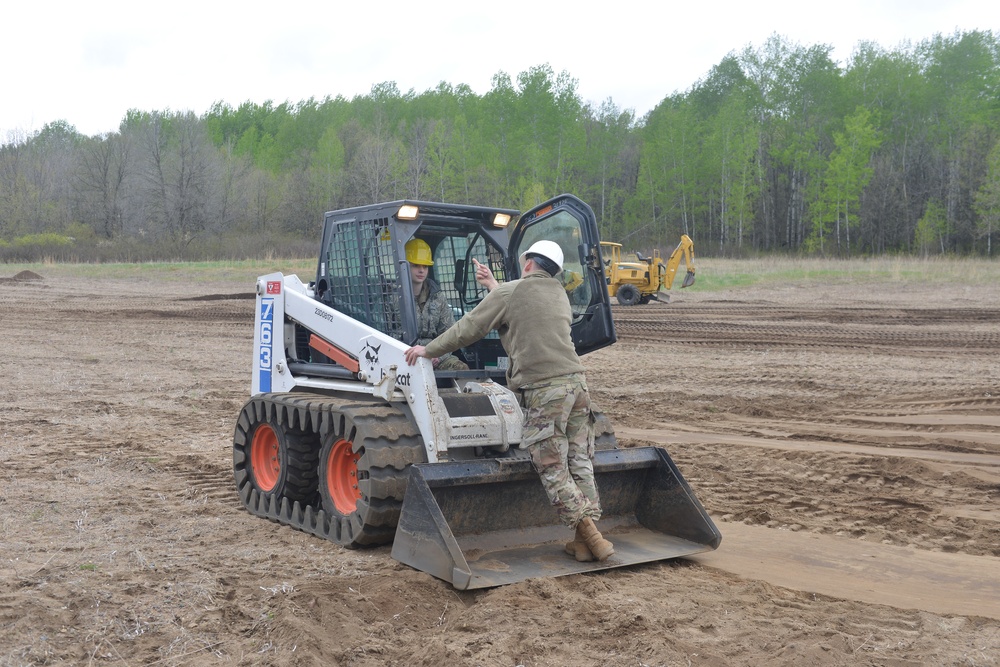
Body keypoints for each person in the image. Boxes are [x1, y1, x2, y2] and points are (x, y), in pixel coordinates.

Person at [403, 240, 614, 562]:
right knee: (580, 461)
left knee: (551, 465)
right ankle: (583, 542)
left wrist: (427, 350)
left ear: (528, 263)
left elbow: (468, 328)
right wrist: (493, 286)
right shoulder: (558, 293)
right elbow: (522, 300)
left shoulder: (509, 293)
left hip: (546, 390)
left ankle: (594, 538)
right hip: (578, 385)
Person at [405, 238, 469, 371]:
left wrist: (437, 356)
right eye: (416, 265)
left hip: (435, 354)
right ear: (405, 265)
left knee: (460, 368)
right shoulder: (392, 298)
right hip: (405, 356)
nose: (421, 270)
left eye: (425, 266)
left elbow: (450, 334)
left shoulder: (438, 297)